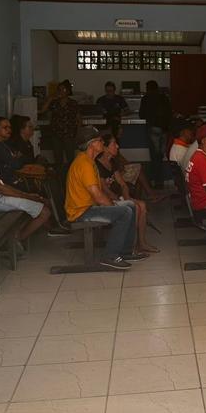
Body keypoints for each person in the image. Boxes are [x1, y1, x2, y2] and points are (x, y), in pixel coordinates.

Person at [0, 124, 61, 244]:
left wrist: (26, 195)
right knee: (45, 212)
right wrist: (28, 196)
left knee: (40, 200)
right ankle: (16, 241)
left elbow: (1, 186)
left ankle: (50, 229)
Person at [64, 126, 138, 270]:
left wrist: (113, 204)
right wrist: (113, 206)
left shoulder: (89, 161)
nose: (102, 143)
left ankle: (125, 252)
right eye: (99, 140)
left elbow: (97, 192)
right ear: (91, 144)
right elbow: (98, 196)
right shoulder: (84, 164)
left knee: (130, 205)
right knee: (125, 212)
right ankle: (109, 256)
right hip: (81, 212)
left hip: (89, 207)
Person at [96, 130, 158, 257]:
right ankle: (130, 246)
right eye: (114, 144)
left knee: (142, 205)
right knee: (134, 207)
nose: (117, 146)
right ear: (105, 148)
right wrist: (122, 200)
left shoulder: (112, 162)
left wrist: (127, 197)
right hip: (106, 200)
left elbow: (123, 184)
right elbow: (104, 190)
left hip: (118, 197)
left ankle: (142, 243)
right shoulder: (97, 165)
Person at [139, 79, 172, 186]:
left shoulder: (146, 98)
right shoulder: (164, 98)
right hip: (164, 130)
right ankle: (160, 181)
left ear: (148, 88)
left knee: (155, 156)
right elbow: (169, 113)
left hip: (153, 129)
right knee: (161, 156)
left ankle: (157, 181)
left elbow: (141, 115)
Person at [41, 80, 80, 173]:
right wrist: (50, 99)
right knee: (58, 159)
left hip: (69, 134)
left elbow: (78, 119)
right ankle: (59, 176)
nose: (61, 91)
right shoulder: (54, 103)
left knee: (70, 158)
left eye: (63, 89)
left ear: (68, 91)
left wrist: (77, 133)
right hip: (56, 134)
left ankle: (71, 176)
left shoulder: (73, 103)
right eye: (59, 89)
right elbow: (42, 110)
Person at [0, 116, 23, 185]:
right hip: (6, 183)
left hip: (13, 179)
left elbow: (18, 158)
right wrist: (16, 158)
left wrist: (15, 158)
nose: (9, 130)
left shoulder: (6, 143)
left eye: (10, 127)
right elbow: (16, 165)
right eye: (5, 127)